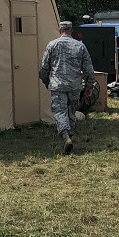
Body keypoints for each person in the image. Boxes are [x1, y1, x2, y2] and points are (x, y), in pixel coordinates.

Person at [39, 20, 96, 155]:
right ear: (72, 31)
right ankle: (71, 136)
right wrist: (89, 87)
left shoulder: (52, 45)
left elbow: (43, 69)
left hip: (58, 85)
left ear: (60, 31)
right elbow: (89, 70)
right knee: (71, 112)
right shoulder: (80, 46)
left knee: (60, 112)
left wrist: (47, 82)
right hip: (75, 86)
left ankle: (65, 136)